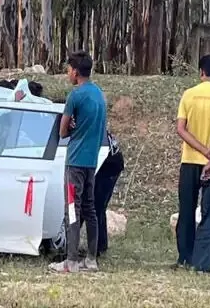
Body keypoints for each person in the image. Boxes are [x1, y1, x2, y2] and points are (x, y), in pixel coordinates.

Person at [49, 51, 107, 273]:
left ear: (75, 71)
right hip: (91, 161)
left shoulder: (76, 96)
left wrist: (71, 127)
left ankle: (71, 260)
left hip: (74, 162)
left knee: (72, 209)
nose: (67, 74)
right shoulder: (99, 95)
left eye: (68, 70)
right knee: (90, 209)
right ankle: (91, 259)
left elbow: (63, 130)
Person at [174, 54, 210, 271]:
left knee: (187, 209)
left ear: (201, 72)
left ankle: (184, 257)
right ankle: (203, 261)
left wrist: (200, 149)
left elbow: (181, 129)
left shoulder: (189, 95)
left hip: (190, 160)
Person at [79, 131, 124, 257]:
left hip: (108, 164)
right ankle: (99, 245)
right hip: (105, 160)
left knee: (94, 205)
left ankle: (97, 247)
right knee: (94, 205)